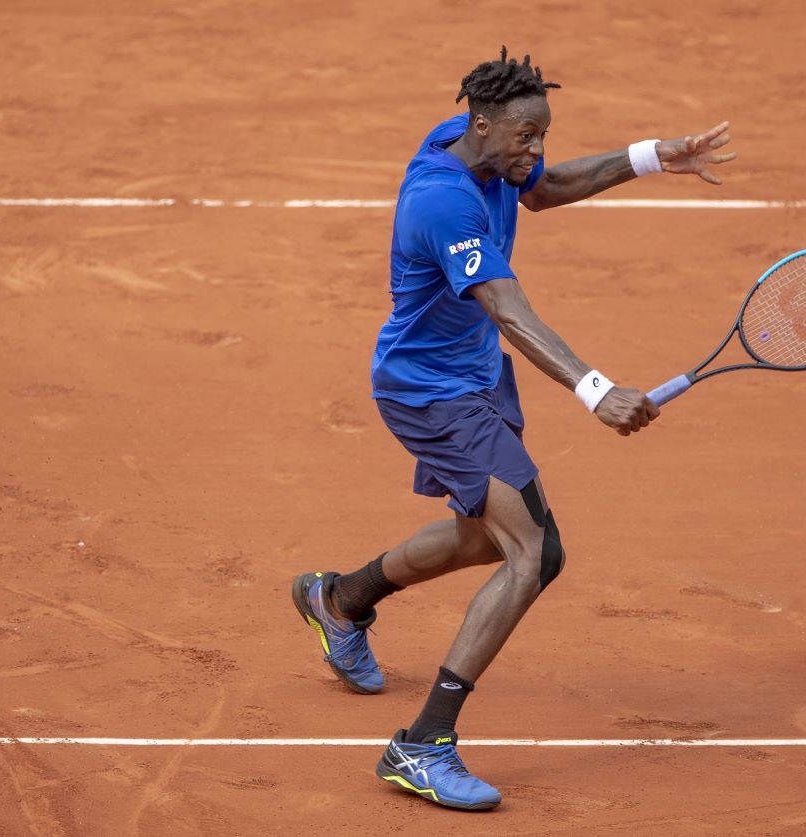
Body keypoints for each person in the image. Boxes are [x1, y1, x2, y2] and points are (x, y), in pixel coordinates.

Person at [292, 47, 735, 811]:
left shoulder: (481, 147)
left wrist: (650, 158)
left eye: (542, 134)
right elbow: (506, 306)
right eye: (527, 136)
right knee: (536, 549)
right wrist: (594, 387)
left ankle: (337, 599)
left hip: (474, 377)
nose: (536, 152)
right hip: (431, 392)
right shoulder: (443, 200)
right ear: (482, 122)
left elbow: (548, 188)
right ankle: (422, 745)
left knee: (485, 537)